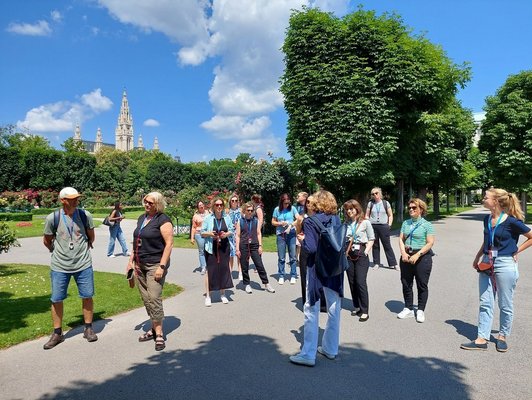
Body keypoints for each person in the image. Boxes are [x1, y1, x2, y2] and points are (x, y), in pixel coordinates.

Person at [461, 188, 532, 352]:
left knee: (505, 303)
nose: (483, 199)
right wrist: (477, 257)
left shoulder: (512, 221)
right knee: (485, 302)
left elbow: (531, 237)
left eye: (486, 197)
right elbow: (487, 240)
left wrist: (516, 250)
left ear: (496, 202)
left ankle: (502, 336)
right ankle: (482, 338)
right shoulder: (486, 219)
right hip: (487, 261)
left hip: (505, 263)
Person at [289, 190, 344, 367]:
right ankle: (330, 348)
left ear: (317, 203)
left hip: (316, 269)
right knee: (334, 308)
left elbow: (311, 248)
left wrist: (302, 238)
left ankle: (308, 353)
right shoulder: (335, 218)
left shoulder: (310, 221)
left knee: (311, 308)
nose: (309, 204)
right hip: (334, 268)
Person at [42, 187, 97, 349]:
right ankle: (57, 333)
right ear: (63, 200)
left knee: (87, 295)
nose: (76, 201)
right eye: (72, 198)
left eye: (77, 198)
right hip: (60, 265)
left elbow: (91, 237)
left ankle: (88, 328)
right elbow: (47, 240)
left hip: (83, 263)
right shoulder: (53, 218)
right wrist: (55, 251)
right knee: (57, 299)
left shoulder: (85, 215)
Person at [128, 192, 173, 351]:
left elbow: (169, 244)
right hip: (140, 264)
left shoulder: (163, 220)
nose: (147, 204)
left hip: (155, 265)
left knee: (154, 297)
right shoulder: (142, 218)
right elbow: (136, 241)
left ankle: (159, 333)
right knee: (146, 299)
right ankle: (154, 328)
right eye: (145, 201)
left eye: (150, 203)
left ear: (158, 204)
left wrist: (162, 266)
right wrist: (130, 262)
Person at [397, 198, 435, 323]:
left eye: (414, 208)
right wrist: (403, 253)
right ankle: (408, 307)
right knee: (406, 282)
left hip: (422, 257)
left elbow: (430, 243)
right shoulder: (405, 223)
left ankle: (420, 309)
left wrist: (417, 255)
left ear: (421, 210)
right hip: (406, 256)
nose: (411, 210)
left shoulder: (427, 225)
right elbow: (401, 239)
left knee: (422, 284)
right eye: (410, 208)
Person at [344, 199, 375, 322]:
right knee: (352, 281)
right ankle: (357, 306)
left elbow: (372, 238)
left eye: (351, 208)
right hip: (349, 253)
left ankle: (365, 310)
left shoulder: (365, 222)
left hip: (361, 253)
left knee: (360, 282)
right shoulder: (345, 224)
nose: (349, 211)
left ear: (357, 209)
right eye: (347, 209)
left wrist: (366, 251)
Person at [235, 202, 275, 294]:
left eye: (251, 210)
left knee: (259, 265)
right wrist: (237, 249)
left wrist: (260, 246)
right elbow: (237, 236)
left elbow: (258, 233)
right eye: (248, 210)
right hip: (244, 245)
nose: (250, 212)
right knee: (244, 265)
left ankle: (266, 283)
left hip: (254, 245)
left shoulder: (255, 220)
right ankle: (247, 284)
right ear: (244, 210)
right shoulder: (240, 221)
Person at [201, 197, 235, 306]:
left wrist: (226, 234)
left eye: (221, 205)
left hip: (224, 246)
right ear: (213, 206)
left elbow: (231, 230)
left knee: (224, 270)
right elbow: (202, 233)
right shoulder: (208, 218)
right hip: (211, 247)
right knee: (210, 270)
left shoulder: (227, 217)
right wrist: (210, 234)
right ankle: (208, 296)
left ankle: (223, 294)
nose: (219, 207)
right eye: (217, 205)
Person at [365, 187, 397, 269]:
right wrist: (368, 224)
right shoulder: (370, 204)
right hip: (373, 226)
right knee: (375, 245)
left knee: (387, 245)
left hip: (383, 226)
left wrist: (389, 225)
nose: (375, 195)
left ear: (380, 193)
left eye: (376, 193)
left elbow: (390, 215)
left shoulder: (385, 203)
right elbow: (367, 215)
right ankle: (376, 263)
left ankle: (393, 263)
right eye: (373, 194)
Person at [272, 193, 299, 285]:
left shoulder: (293, 209)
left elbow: (299, 218)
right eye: (285, 203)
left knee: (293, 256)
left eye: (288, 203)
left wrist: (291, 224)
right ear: (281, 202)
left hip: (291, 233)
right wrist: (280, 223)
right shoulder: (277, 209)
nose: (287, 205)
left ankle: (293, 275)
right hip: (280, 234)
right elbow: (273, 222)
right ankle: (281, 275)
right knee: (281, 256)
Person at [190, 200, 209, 275]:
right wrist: (192, 238)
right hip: (199, 234)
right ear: (197, 207)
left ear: (204, 205)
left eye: (202, 204)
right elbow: (193, 227)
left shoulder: (209, 213)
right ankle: (203, 267)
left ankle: (210, 265)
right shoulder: (195, 216)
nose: (201, 206)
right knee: (201, 251)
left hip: (208, 234)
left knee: (209, 249)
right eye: (199, 205)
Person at [228, 194, 243, 280]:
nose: (234, 202)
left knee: (239, 254)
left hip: (239, 234)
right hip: (230, 235)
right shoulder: (227, 212)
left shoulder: (240, 211)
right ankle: (229, 272)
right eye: (232, 201)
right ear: (230, 202)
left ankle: (240, 272)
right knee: (230, 254)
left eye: (236, 201)